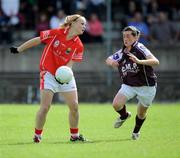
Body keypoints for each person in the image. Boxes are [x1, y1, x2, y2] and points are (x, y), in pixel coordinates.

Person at [10, 14, 87, 143]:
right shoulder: (56, 33)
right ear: (73, 23)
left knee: (74, 107)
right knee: (45, 107)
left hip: (64, 75)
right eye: (81, 23)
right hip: (48, 73)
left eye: (85, 25)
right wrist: (19, 49)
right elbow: (37, 40)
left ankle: (74, 136)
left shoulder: (79, 45)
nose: (84, 26)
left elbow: (70, 65)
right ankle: (37, 135)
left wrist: (63, 75)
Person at [106, 26, 159, 140]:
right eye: (124, 36)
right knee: (116, 104)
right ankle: (124, 115)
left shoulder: (140, 48)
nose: (125, 39)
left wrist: (139, 61)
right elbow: (108, 59)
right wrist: (112, 63)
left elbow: (155, 61)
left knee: (141, 113)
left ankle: (136, 132)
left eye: (129, 36)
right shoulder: (122, 51)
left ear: (136, 37)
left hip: (147, 86)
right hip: (129, 85)